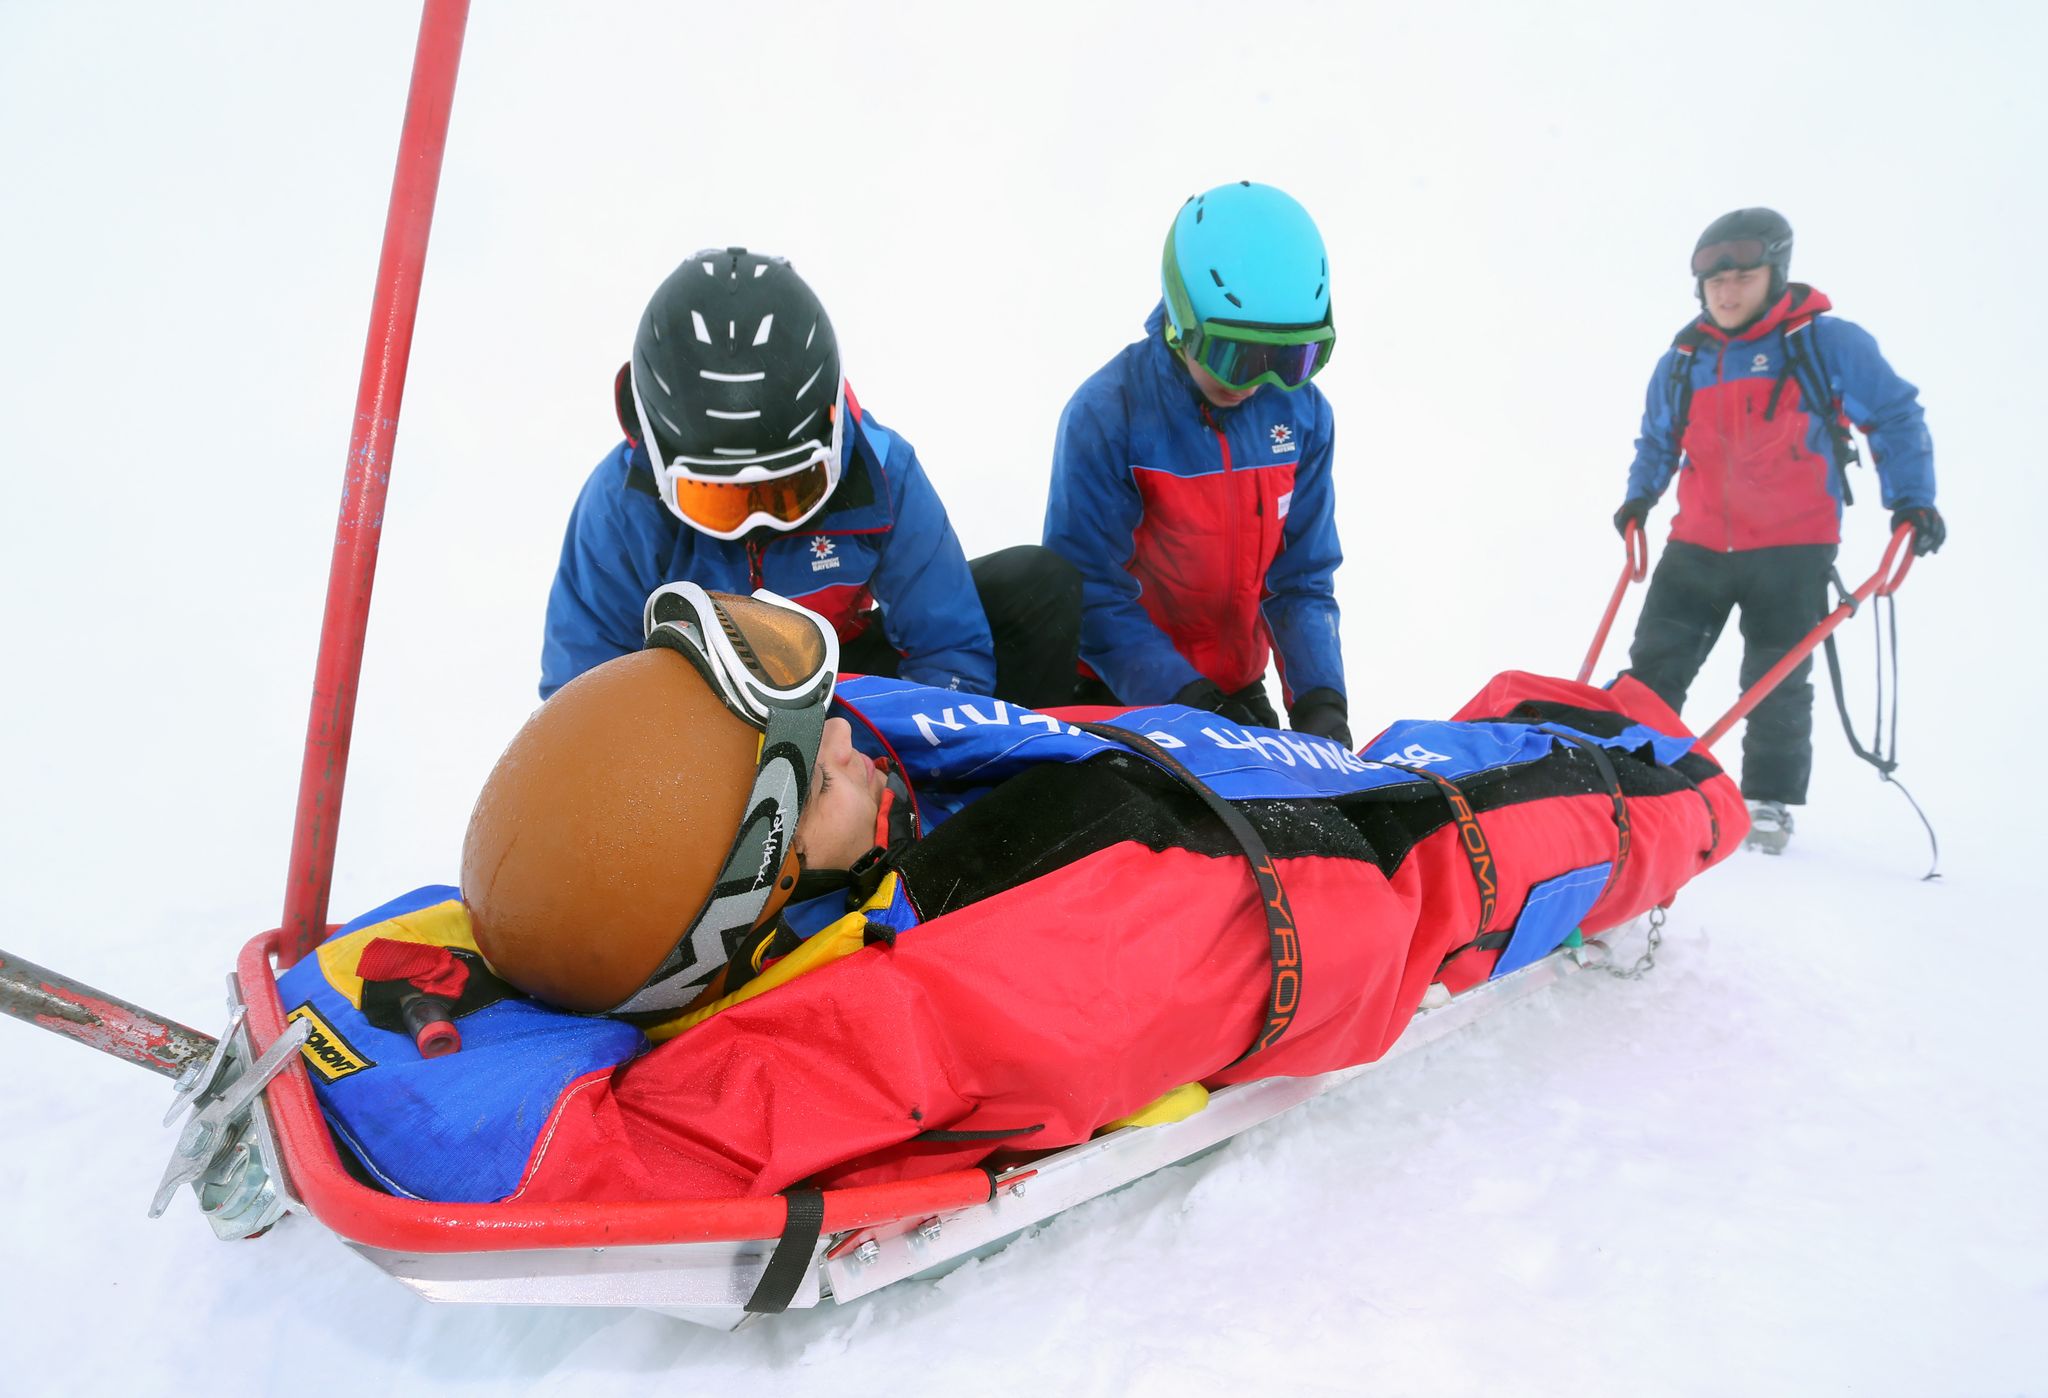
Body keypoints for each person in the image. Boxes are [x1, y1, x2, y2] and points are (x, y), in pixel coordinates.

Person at [314, 584, 1739, 1207]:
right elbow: (606, 1154)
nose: (852, 743)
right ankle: (1677, 782)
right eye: (812, 775)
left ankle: (1584, 724)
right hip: (1298, 886)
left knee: (1453, 755)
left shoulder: (815, 800)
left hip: (1194, 782)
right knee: (1495, 834)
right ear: (742, 897)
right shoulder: (915, 1009)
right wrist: (1691, 806)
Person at [540, 247, 1079, 706]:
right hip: (700, 722)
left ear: (831, 433)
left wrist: (895, 777)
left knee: (1034, 587)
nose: (757, 521)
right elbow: (581, 701)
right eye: (716, 498)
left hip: (834, 696)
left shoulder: (881, 471)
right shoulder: (620, 509)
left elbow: (949, 648)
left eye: (788, 490)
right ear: (659, 457)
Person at [1612, 208, 1943, 854]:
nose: (1728, 292)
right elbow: (1658, 440)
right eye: (1715, 283)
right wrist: (1637, 499)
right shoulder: (1683, 361)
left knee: (1776, 680)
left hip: (1792, 547)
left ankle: (1767, 806)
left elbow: (1896, 417)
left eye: (1742, 277)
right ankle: (1625, 780)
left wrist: (1913, 502)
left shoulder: (1824, 345)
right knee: (1653, 668)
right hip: (1698, 543)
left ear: (1776, 274)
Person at [1043, 182, 1351, 747]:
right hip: (1124, 688)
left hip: (1232, 689)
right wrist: (1186, 700)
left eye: (1293, 358)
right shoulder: (1111, 414)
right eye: (1235, 355)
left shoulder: (1302, 416)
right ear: (1182, 321)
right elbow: (1091, 591)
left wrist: (1320, 701)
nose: (1261, 382)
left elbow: (1301, 579)